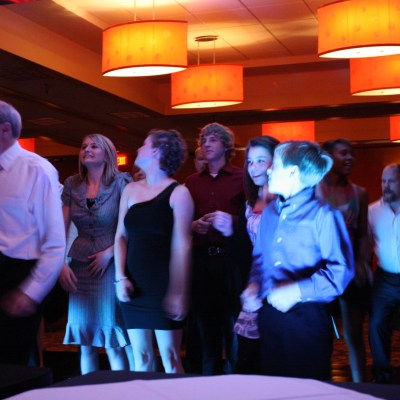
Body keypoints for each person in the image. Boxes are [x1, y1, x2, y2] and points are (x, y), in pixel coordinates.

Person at [243, 140, 355, 380]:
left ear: (293, 172)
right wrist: (254, 285)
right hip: (269, 318)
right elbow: (259, 259)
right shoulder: (270, 212)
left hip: (307, 320)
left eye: (275, 165)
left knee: (307, 389)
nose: (269, 170)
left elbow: (342, 271)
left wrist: (296, 291)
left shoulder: (324, 215)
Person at [114, 128, 193, 373]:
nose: (139, 148)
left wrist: (178, 292)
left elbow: (182, 246)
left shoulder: (179, 193)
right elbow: (120, 236)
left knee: (170, 358)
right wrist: (120, 277)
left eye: (144, 144)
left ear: (157, 151)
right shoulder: (130, 189)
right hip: (133, 285)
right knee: (141, 357)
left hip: (163, 285)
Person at [59, 133, 132, 374]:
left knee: (112, 343)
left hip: (110, 265)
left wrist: (109, 253)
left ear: (107, 153)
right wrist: (61, 263)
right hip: (79, 265)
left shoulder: (121, 182)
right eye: (83, 146)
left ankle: (122, 390)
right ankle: (87, 390)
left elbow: (129, 228)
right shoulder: (72, 184)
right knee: (85, 342)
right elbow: (61, 228)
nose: (87, 150)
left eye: (93, 146)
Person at [0, 100, 65, 365]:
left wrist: (31, 292)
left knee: (11, 368)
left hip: (17, 274)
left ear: (5, 128)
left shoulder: (37, 170)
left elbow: (55, 242)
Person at [185, 122, 245, 375]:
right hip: (201, 261)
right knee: (205, 330)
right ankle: (207, 385)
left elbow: (254, 222)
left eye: (212, 139)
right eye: (203, 140)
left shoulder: (242, 178)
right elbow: (182, 221)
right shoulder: (191, 182)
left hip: (230, 261)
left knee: (234, 329)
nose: (206, 144)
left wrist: (233, 221)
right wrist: (192, 225)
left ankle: (236, 384)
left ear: (226, 145)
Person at [315, 138, 371, 383]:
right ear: (328, 158)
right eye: (343, 153)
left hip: (349, 271)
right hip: (320, 270)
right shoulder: (313, 190)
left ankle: (361, 389)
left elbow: (363, 234)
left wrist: (361, 264)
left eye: (352, 154)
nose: (350, 158)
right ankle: (321, 387)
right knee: (321, 336)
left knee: (354, 335)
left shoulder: (359, 193)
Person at [232, 135, 279, 374]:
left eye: (261, 160)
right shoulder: (250, 202)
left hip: (280, 287)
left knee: (276, 363)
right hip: (254, 284)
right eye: (250, 162)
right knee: (248, 361)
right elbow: (247, 250)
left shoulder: (286, 200)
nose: (254, 167)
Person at [368, 163, 400, 384]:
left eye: (392, 181)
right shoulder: (372, 211)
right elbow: (365, 244)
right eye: (383, 181)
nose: (386, 185)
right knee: (377, 324)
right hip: (385, 278)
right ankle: (382, 378)